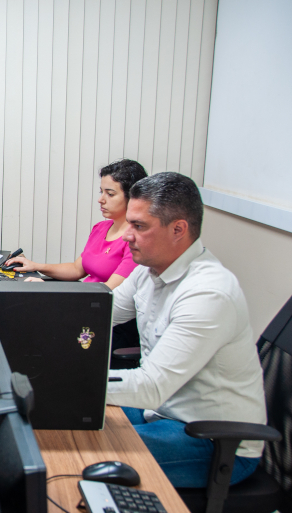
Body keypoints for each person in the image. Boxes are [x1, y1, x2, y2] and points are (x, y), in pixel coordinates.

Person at [107, 172, 265, 488]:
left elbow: (151, 386)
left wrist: (62, 385)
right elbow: (98, 314)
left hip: (212, 440)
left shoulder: (208, 292)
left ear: (179, 229)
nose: (126, 236)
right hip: (161, 411)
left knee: (88, 455)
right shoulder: (149, 271)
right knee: (68, 426)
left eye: (138, 226)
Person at [5, 159, 147, 291]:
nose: (100, 199)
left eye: (110, 194)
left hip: (98, 307)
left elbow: (109, 291)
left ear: (133, 196)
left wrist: (51, 291)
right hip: (83, 298)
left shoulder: (134, 240)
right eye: (101, 192)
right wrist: (35, 266)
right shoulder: (101, 228)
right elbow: (76, 269)